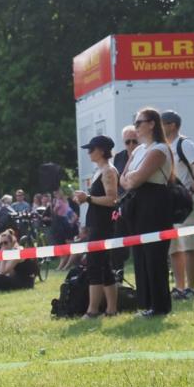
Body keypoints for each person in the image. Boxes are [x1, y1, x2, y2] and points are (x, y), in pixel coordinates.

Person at [119, 108, 174, 317]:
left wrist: (132, 179)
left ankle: (160, 305)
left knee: (154, 256)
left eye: (139, 122)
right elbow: (123, 179)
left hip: (155, 204)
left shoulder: (160, 149)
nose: (136, 126)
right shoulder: (139, 150)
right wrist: (131, 179)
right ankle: (145, 303)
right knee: (140, 256)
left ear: (152, 124)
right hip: (137, 204)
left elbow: (137, 178)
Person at [162, 110, 194, 300]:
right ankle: (179, 287)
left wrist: (192, 189)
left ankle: (191, 287)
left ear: (172, 125)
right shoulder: (163, 146)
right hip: (170, 202)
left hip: (185, 201)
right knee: (174, 248)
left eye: (162, 123)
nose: (160, 127)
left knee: (189, 246)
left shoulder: (185, 144)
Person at [74, 135, 119, 317]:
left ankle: (93, 310)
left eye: (91, 149)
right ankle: (111, 309)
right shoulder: (99, 171)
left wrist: (89, 198)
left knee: (94, 265)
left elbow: (112, 199)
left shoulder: (109, 171)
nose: (88, 153)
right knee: (104, 266)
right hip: (96, 223)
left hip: (103, 225)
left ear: (101, 150)